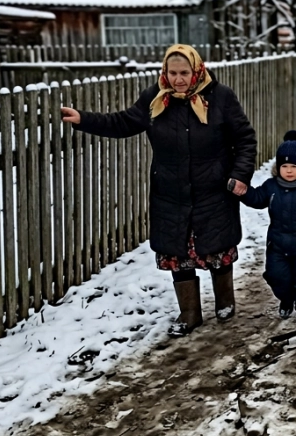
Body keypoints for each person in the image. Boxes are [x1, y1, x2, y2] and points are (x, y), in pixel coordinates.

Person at [61, 44, 257, 336]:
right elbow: (124, 122)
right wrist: (83, 119)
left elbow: (245, 139)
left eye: (184, 73)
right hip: (171, 189)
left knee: (217, 246)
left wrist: (240, 175)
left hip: (213, 186)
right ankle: (189, 313)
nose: (178, 79)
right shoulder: (155, 98)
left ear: (197, 70)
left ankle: (225, 302)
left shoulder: (221, 97)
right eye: (172, 72)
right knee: (178, 252)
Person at [236, 131, 296, 326]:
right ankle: (287, 299)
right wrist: (243, 192)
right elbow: (257, 199)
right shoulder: (272, 186)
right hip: (278, 244)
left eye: (294, 166)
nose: (289, 171)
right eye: (284, 166)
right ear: (278, 167)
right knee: (276, 276)